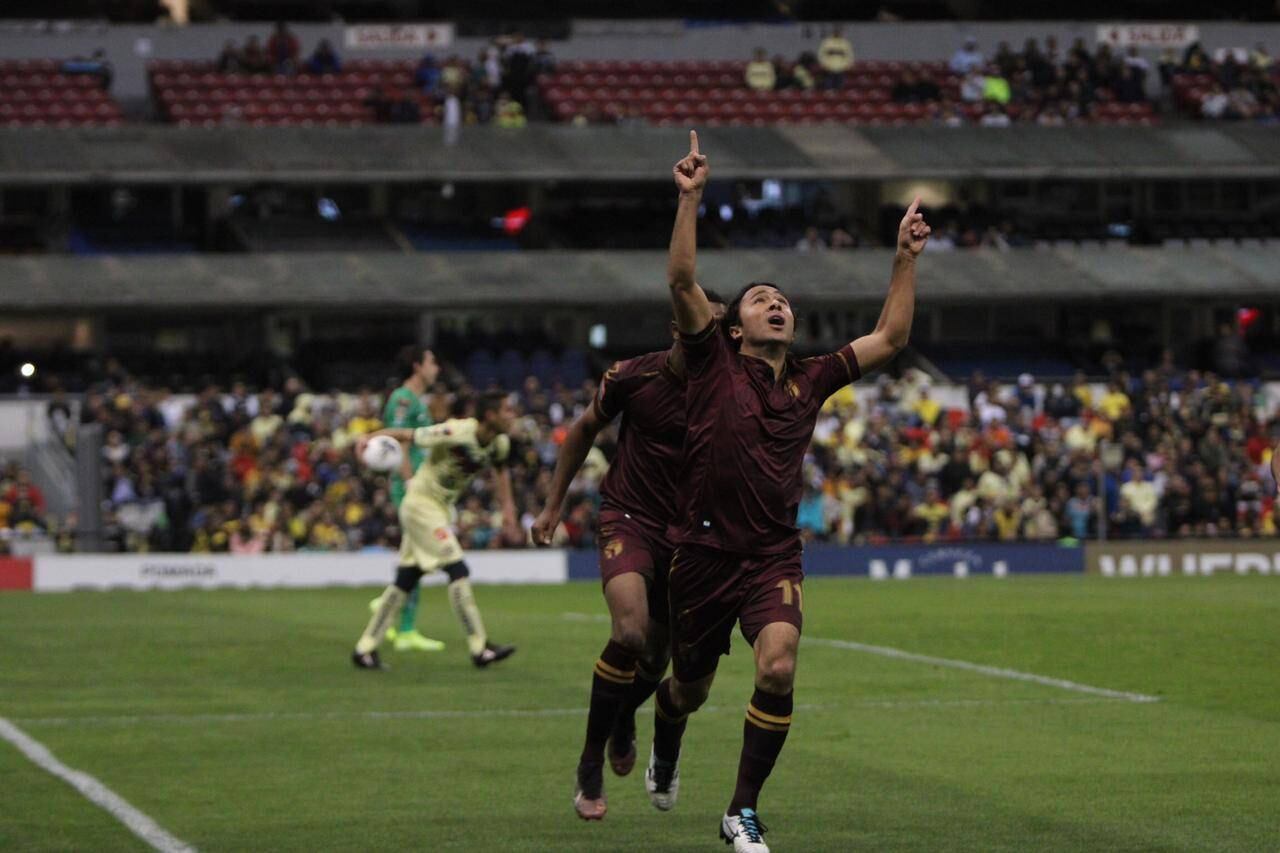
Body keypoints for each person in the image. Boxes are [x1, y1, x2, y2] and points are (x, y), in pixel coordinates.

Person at [652, 131, 929, 852]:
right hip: (702, 553)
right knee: (688, 688)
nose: (775, 305)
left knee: (777, 667)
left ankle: (739, 810)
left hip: (772, 553)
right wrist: (690, 199)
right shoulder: (711, 361)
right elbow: (682, 281)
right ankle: (667, 737)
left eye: (782, 300)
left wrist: (904, 258)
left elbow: (889, 339)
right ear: (733, 326)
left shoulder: (812, 376)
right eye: (760, 300)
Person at [532, 290, 728, 821]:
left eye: (719, 327)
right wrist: (552, 506)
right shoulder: (631, 377)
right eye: (701, 323)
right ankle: (589, 763)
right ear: (676, 328)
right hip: (630, 517)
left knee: (658, 658)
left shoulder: (731, 392)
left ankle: (623, 716)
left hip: (689, 537)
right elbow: (583, 430)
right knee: (630, 633)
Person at [351, 391, 520, 671]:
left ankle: (365, 648)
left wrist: (509, 510)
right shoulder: (456, 431)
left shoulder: (499, 443)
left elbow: (501, 472)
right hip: (420, 505)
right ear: (490, 415)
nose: (512, 415)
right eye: (507, 410)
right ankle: (480, 647)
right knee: (458, 568)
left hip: (439, 510)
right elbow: (407, 435)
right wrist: (369, 438)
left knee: (405, 580)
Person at [364, 347, 447, 653]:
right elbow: (396, 440)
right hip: (408, 486)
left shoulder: (417, 401)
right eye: (432, 362)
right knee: (423, 552)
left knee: (415, 555)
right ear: (417, 366)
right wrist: (410, 480)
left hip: (421, 485)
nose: (436, 368)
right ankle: (400, 619)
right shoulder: (402, 399)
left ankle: (402, 624)